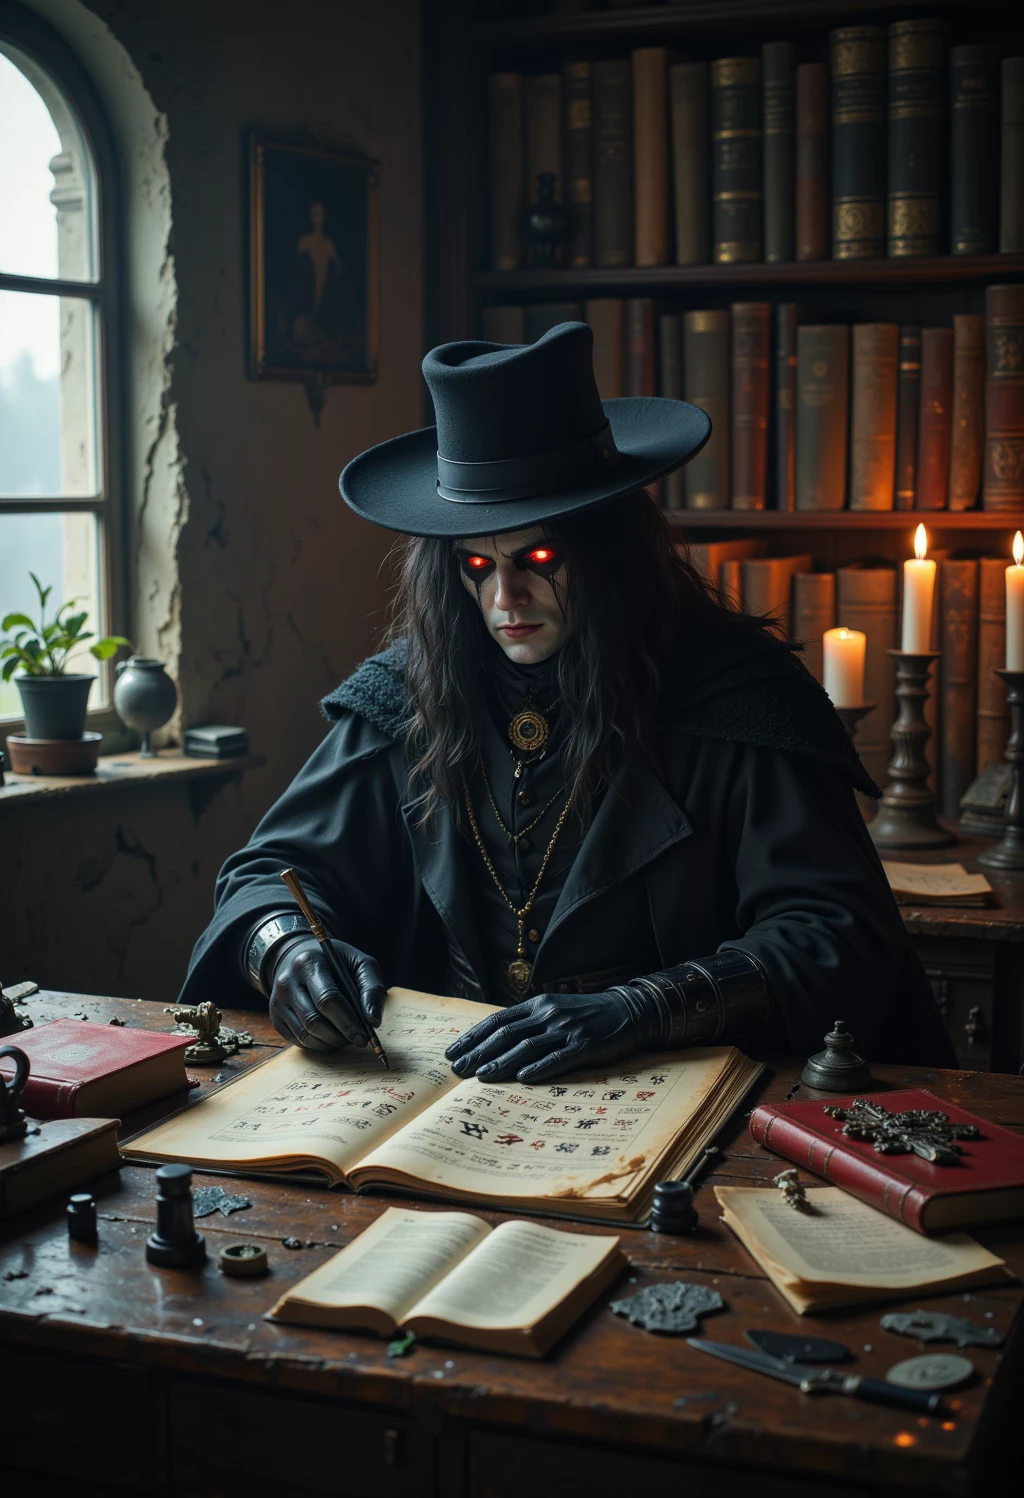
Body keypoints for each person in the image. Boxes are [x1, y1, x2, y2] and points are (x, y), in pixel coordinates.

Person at [182, 323, 955, 1081]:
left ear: (608, 548)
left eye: (539, 558)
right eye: (476, 565)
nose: (504, 596)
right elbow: (270, 873)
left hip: (674, 1093)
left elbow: (836, 933)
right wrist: (285, 946)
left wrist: (644, 1008)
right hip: (449, 1092)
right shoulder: (409, 695)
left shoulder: (738, 697)